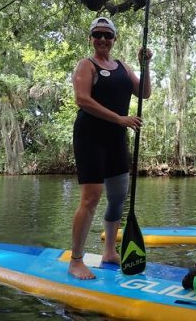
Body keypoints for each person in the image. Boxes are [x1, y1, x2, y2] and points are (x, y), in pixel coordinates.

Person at [69, 16, 152, 279]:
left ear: (114, 39)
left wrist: (145, 65)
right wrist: (120, 119)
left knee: (118, 196)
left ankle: (109, 251)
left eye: (108, 35)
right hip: (90, 136)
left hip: (117, 138)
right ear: (91, 38)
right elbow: (82, 99)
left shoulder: (123, 67)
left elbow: (145, 93)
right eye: (98, 34)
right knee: (91, 197)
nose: (103, 39)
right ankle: (76, 260)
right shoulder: (86, 65)